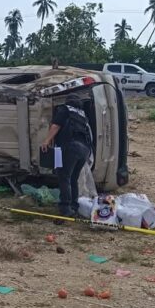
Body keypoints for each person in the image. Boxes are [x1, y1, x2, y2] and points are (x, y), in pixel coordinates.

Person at [41, 94, 92, 223]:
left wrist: (46, 141)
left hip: (71, 147)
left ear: (68, 102)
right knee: (73, 178)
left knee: (64, 177)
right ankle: (73, 206)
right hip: (84, 150)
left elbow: (56, 125)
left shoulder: (64, 109)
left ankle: (65, 208)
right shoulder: (82, 115)